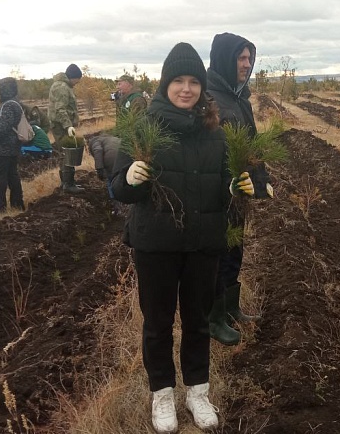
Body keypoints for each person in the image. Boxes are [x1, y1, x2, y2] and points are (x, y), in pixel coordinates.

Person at [110, 42, 232, 433]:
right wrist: (129, 180)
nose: (186, 88)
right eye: (178, 80)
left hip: (202, 243)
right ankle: (162, 395)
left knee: (197, 321)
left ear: (202, 87)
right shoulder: (144, 128)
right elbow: (116, 186)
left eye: (193, 81)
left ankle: (198, 392)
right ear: (165, 85)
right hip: (157, 244)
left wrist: (243, 187)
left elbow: (231, 181)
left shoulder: (216, 132)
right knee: (158, 323)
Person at [206, 32, 264, 346]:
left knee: (235, 251)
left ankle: (230, 308)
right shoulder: (210, 97)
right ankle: (214, 318)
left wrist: (261, 180)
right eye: (241, 58)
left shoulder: (239, 97)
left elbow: (251, 144)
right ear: (225, 60)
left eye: (249, 58)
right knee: (218, 253)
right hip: (217, 194)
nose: (247, 64)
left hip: (239, 194)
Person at [0, 78, 25, 214]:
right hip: (12, 147)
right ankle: (17, 205)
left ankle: (0, 208)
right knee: (12, 176)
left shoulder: (8, 105)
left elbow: (5, 126)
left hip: (4, 148)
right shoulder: (14, 103)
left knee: (1, 178)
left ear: (5, 90)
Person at [48, 63, 84, 194]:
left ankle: (67, 182)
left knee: (65, 153)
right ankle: (68, 184)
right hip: (61, 126)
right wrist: (68, 126)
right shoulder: (62, 87)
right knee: (68, 152)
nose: (77, 83)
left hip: (62, 125)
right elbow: (60, 109)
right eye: (77, 80)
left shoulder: (64, 86)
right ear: (72, 77)